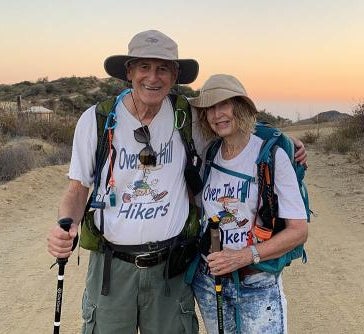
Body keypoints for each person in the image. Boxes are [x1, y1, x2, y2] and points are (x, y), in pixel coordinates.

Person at [47, 30, 307, 333]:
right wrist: (68, 224)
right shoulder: (97, 119)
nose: (153, 78)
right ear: (129, 71)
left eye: (163, 69)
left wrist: (279, 138)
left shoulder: (187, 117)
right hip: (111, 269)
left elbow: (231, 124)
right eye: (144, 67)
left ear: (175, 75)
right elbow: (78, 189)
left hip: (170, 269)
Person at [188, 74, 308, 333]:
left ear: (241, 107)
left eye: (224, 104)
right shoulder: (210, 152)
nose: (216, 114)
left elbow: (299, 231)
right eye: (209, 108)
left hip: (257, 283)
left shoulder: (271, 155)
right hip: (210, 283)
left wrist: (243, 256)